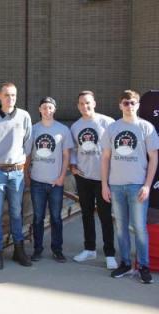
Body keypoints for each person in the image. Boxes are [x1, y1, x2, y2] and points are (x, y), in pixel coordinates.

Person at [101, 90, 159, 284]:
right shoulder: (112, 128)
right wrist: (104, 185)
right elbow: (106, 158)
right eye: (126, 103)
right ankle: (125, 263)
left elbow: (154, 159)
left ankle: (143, 266)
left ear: (138, 105)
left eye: (133, 102)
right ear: (120, 105)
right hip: (116, 185)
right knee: (121, 228)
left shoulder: (146, 127)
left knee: (140, 228)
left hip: (137, 186)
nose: (129, 106)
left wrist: (147, 185)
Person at [0, 82, 32, 270]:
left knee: (17, 213)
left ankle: (19, 250)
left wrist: (19, 162)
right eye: (7, 95)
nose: (11, 99)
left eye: (14, 95)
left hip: (16, 172)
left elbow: (28, 142)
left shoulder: (24, 116)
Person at [70, 91, 117, 269]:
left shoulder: (107, 122)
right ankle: (89, 249)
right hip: (84, 177)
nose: (85, 107)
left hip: (104, 178)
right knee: (86, 214)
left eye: (88, 103)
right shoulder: (75, 126)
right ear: (78, 106)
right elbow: (74, 150)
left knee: (105, 216)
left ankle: (110, 253)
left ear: (94, 103)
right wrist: (73, 168)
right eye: (81, 104)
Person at [25, 97, 73, 263]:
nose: (47, 111)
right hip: (37, 181)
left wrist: (61, 177)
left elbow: (67, 155)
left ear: (54, 110)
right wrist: (26, 175)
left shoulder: (62, 130)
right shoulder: (33, 129)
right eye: (44, 108)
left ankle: (57, 249)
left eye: (50, 108)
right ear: (39, 109)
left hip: (55, 183)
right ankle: (38, 249)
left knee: (56, 218)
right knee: (38, 218)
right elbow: (29, 154)